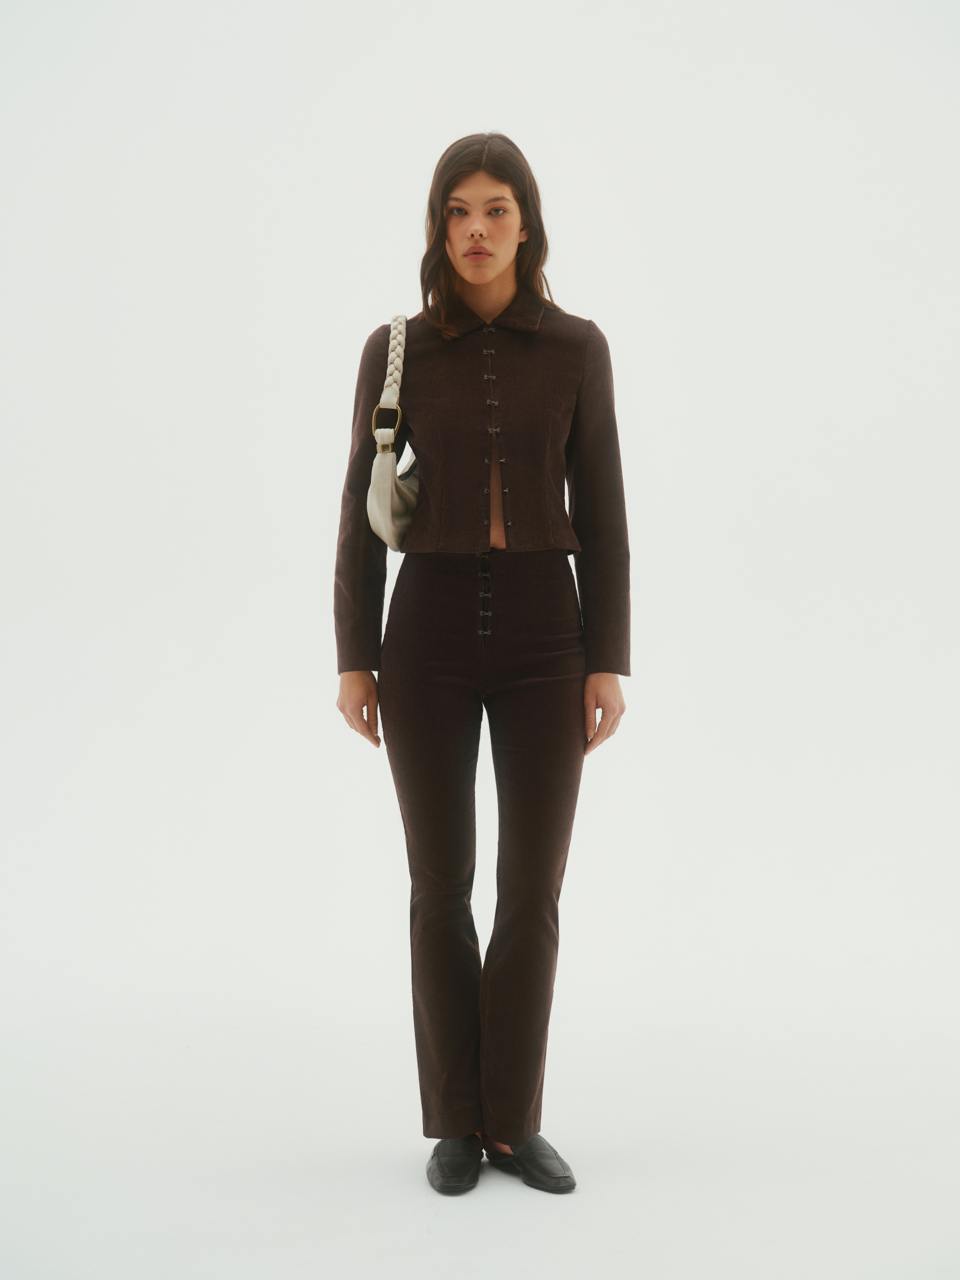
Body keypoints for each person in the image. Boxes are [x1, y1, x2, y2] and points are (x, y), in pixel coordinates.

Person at [334, 132, 630, 1195]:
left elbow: (605, 507)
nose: (476, 230)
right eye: (457, 211)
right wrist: (355, 657)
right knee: (440, 881)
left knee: (531, 886)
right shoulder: (398, 348)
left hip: (552, 637)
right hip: (427, 637)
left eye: (496, 209)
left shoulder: (578, 347)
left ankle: (515, 1120)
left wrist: (608, 658)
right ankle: (455, 1123)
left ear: (527, 224)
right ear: (437, 227)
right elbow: (359, 516)